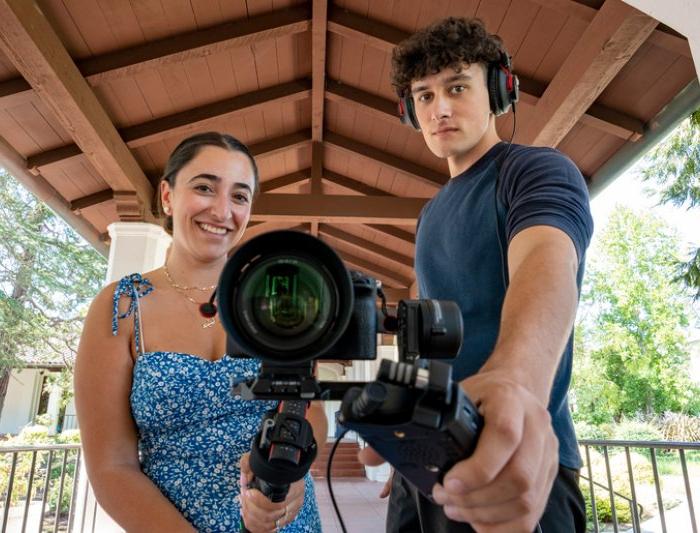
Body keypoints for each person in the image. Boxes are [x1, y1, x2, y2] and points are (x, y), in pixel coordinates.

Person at [359, 17, 593, 533]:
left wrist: (516, 381)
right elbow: (429, 335)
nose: (439, 108)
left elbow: (547, 264)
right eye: (423, 96)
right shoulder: (430, 215)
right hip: (423, 461)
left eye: (457, 87)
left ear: (498, 92)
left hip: (514, 460)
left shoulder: (535, 170)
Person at [74, 132, 325, 533]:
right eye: (205, 187)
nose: (222, 210)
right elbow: (111, 467)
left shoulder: (278, 300)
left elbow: (311, 411)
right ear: (168, 196)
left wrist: (296, 472)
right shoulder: (122, 307)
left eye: (240, 196)